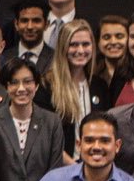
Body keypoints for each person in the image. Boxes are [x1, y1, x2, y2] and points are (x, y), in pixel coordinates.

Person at [0, 58, 65, 181]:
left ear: (36, 85)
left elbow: (55, 173)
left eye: (27, 82)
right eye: (14, 82)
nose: (21, 88)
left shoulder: (52, 122)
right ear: (6, 87)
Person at [42, 19, 109, 159]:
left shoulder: (100, 85)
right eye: (73, 45)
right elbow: (44, 137)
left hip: (95, 164)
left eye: (85, 44)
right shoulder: (47, 86)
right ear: (63, 47)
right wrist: (72, 167)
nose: (80, 50)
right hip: (61, 166)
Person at [2, 0, 54, 74]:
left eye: (36, 21)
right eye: (24, 21)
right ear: (16, 24)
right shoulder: (3, 58)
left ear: (46, 24)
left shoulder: (56, 59)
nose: (30, 27)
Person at [94, 15, 130, 94]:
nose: (113, 42)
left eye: (119, 36)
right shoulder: (91, 74)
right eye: (106, 37)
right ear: (98, 42)